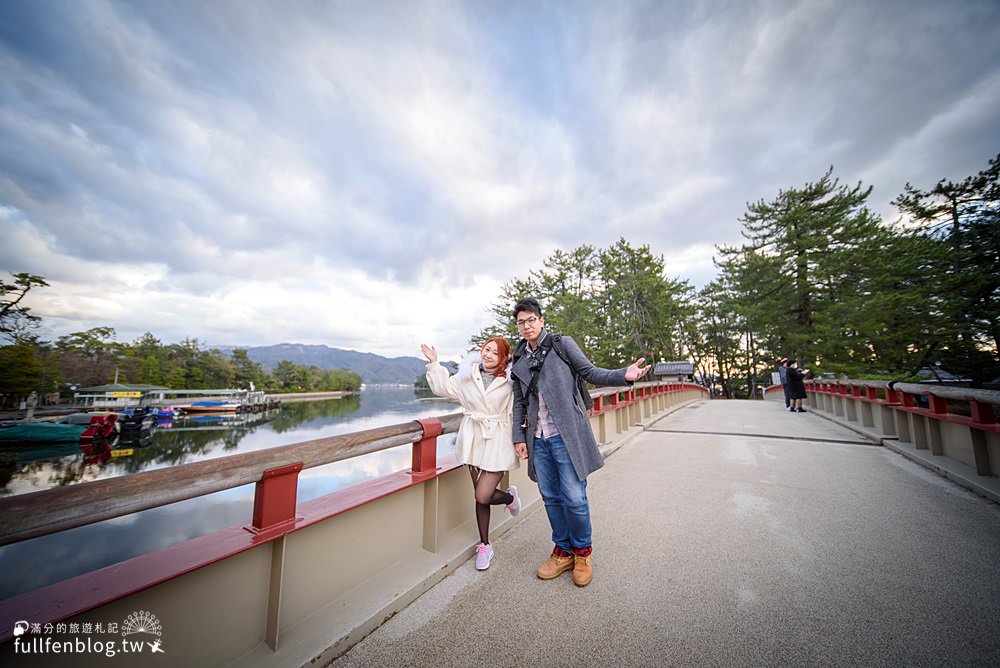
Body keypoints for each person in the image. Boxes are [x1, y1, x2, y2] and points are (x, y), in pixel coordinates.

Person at [510, 297, 650, 587]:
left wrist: (624, 375)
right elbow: (520, 403)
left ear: (541, 320)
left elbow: (590, 372)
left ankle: (583, 553)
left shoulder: (562, 345)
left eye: (531, 319)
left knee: (574, 497)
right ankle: (562, 551)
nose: (527, 326)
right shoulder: (519, 358)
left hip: (566, 435)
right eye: (521, 322)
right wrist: (518, 438)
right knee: (550, 497)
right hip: (538, 439)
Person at [420, 337, 521, 571]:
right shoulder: (467, 375)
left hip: (498, 438)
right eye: (487, 349)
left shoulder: (510, 381)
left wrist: (520, 441)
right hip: (473, 439)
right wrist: (434, 364)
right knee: (479, 495)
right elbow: (443, 389)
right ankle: (485, 545)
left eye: (495, 353)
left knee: (483, 494)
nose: (488, 355)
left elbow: (517, 410)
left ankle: (509, 498)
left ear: (503, 358)